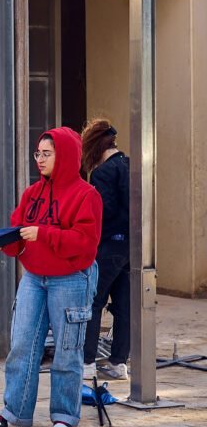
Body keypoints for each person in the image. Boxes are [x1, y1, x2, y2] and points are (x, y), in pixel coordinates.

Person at [0, 127, 101, 427]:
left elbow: (86, 243)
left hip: (72, 279)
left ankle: (64, 415)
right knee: (22, 344)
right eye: (38, 153)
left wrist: (44, 234)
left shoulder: (87, 195)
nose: (40, 159)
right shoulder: (32, 194)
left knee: (67, 350)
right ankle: (16, 412)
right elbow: (18, 230)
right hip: (34, 278)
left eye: (46, 153)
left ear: (65, 155)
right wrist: (2, 242)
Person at [81, 119, 130, 381]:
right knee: (124, 306)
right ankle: (119, 363)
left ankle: (87, 362)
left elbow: (103, 213)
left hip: (109, 245)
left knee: (93, 301)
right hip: (132, 247)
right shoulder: (130, 165)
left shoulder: (102, 173)